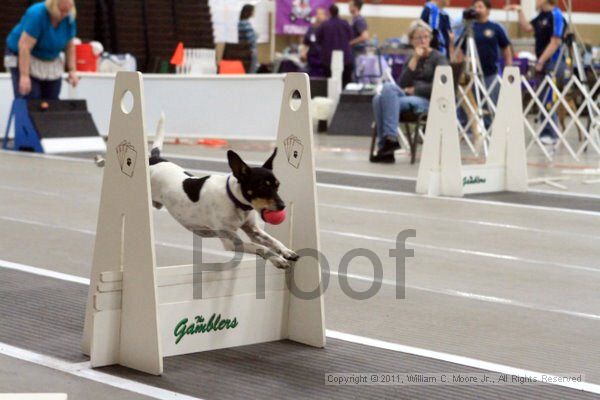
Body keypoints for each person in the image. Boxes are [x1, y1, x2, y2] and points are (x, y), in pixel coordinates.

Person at [371, 20, 448, 163]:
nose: (423, 41)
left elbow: (442, 86)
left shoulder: (439, 58)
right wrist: (415, 58)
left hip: (426, 100)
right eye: (418, 38)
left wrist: (416, 89)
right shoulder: (411, 59)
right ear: (412, 41)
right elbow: (402, 84)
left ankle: (386, 144)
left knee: (382, 99)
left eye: (426, 37)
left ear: (430, 39)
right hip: (406, 97)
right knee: (383, 92)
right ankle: (388, 143)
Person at [506, 0, 567, 144]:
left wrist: (541, 60)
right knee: (541, 96)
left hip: (554, 62)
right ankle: (547, 129)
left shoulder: (556, 15)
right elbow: (527, 27)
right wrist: (520, 11)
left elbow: (555, 41)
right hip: (542, 62)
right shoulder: (541, 16)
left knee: (548, 97)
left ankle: (550, 133)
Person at [5, 0, 79, 100]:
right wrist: (24, 76)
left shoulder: (69, 17)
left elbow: (70, 46)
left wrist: (72, 70)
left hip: (50, 57)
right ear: (53, 7)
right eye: (62, 10)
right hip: (22, 55)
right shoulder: (37, 14)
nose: (65, 14)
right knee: (31, 95)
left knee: (52, 97)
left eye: (68, 10)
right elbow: (24, 47)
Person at [456, 0, 512, 127]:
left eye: (480, 6)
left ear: (487, 10)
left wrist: (509, 66)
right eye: (475, 6)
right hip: (471, 73)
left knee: (489, 103)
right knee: (470, 103)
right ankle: (469, 129)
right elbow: (459, 48)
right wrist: (462, 65)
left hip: (490, 72)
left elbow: (506, 47)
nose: (477, 9)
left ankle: (490, 127)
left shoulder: (495, 28)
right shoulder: (468, 29)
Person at [316, 5, 354, 87]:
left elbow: (318, 40)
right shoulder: (345, 23)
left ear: (329, 13)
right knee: (346, 84)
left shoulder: (324, 25)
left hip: (328, 60)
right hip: (345, 59)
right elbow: (351, 37)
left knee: (330, 85)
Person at [301, 8, 328, 77]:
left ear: (325, 16)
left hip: (324, 61)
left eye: (321, 14)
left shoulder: (328, 29)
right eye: (318, 14)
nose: (319, 16)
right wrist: (303, 53)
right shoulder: (311, 29)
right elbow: (305, 43)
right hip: (312, 60)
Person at [238, 4, 258, 73]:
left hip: (242, 50)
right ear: (249, 12)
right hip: (249, 51)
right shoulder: (245, 24)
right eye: (253, 11)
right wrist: (256, 36)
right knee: (251, 72)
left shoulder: (240, 22)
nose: (254, 12)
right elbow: (251, 39)